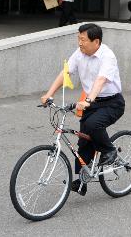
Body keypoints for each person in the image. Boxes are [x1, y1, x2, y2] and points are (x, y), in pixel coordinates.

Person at [41, 23, 125, 196]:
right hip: (92, 102)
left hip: (112, 102)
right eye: (78, 39)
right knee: (84, 140)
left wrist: (87, 100)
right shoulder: (80, 53)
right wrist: (49, 94)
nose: (79, 43)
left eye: (83, 40)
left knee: (93, 124)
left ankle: (110, 151)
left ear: (96, 42)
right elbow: (65, 73)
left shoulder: (107, 56)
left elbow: (100, 80)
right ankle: (82, 180)